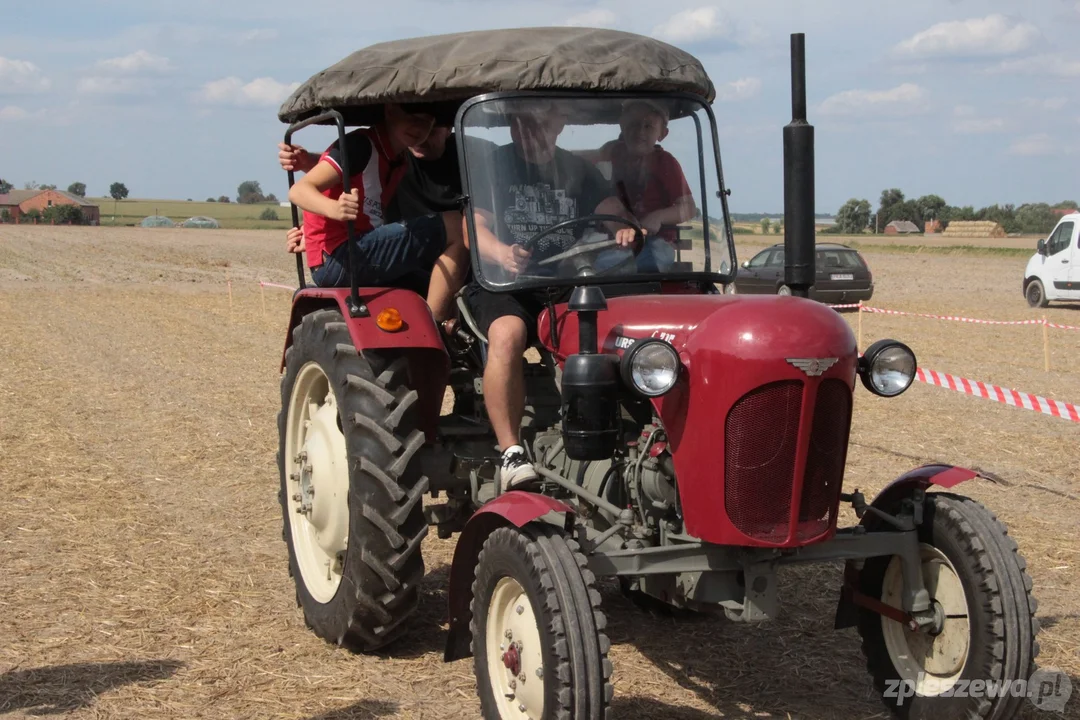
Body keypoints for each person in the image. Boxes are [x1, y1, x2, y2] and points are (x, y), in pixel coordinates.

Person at [465, 101, 638, 490]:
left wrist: (622, 227)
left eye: (540, 124)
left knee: (608, 330)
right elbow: (473, 228)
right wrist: (502, 253)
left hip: (564, 282)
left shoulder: (577, 169)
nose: (529, 133)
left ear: (561, 124)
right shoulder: (496, 165)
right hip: (505, 283)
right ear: (511, 126)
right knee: (507, 334)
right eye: (522, 124)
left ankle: (609, 433)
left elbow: (610, 208)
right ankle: (511, 453)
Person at [285, 104, 468, 324]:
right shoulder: (361, 145)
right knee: (457, 225)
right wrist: (335, 209)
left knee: (436, 288)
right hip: (341, 257)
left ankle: (450, 341)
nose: (418, 127)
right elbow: (299, 190)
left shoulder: (396, 159)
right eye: (412, 116)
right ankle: (435, 328)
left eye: (427, 120)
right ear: (390, 111)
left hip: (357, 252)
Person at [594, 99, 696, 271]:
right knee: (599, 265)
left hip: (656, 240)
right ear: (622, 126)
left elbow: (689, 208)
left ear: (662, 134)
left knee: (647, 261)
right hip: (617, 240)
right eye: (633, 124)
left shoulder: (665, 163)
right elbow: (582, 160)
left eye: (648, 126)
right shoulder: (613, 151)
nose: (639, 132)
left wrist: (658, 217)